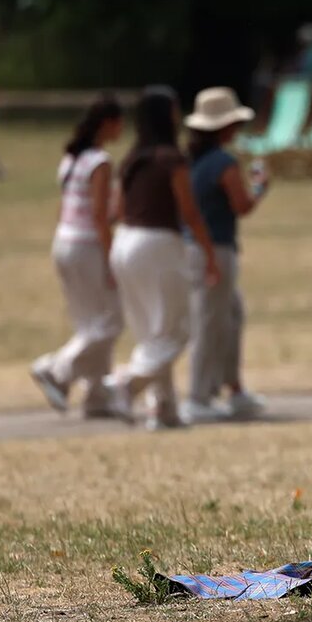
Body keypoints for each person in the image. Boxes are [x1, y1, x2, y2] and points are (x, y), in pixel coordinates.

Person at [104, 86, 220, 430]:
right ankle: (129, 382)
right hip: (157, 244)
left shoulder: (131, 159)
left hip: (124, 244)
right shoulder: (172, 158)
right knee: (177, 331)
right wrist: (210, 255)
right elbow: (190, 212)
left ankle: (164, 408)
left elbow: (118, 210)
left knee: (152, 332)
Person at [30, 95, 125, 417]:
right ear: (108, 123)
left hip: (65, 242)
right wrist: (113, 258)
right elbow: (100, 215)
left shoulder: (70, 159)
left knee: (88, 322)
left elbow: (66, 206)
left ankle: (96, 396)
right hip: (87, 245)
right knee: (111, 321)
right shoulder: (100, 161)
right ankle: (56, 369)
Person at [180, 87, 271, 424]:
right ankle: (198, 396)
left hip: (197, 247)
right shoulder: (224, 163)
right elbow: (242, 205)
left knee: (230, 317)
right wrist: (260, 186)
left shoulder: (194, 161)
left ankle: (233, 387)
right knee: (210, 322)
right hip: (215, 248)